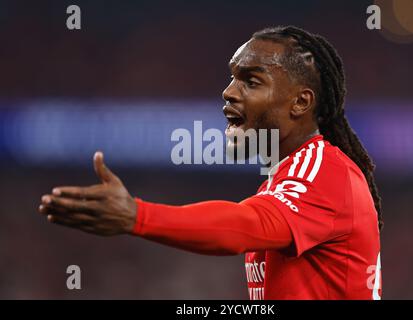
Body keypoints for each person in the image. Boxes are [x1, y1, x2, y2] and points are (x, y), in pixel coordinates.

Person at [39, 26, 382, 300]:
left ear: (300, 102)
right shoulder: (284, 179)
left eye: (251, 81)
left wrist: (138, 216)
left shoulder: (323, 170)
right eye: (232, 77)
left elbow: (246, 224)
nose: (229, 92)